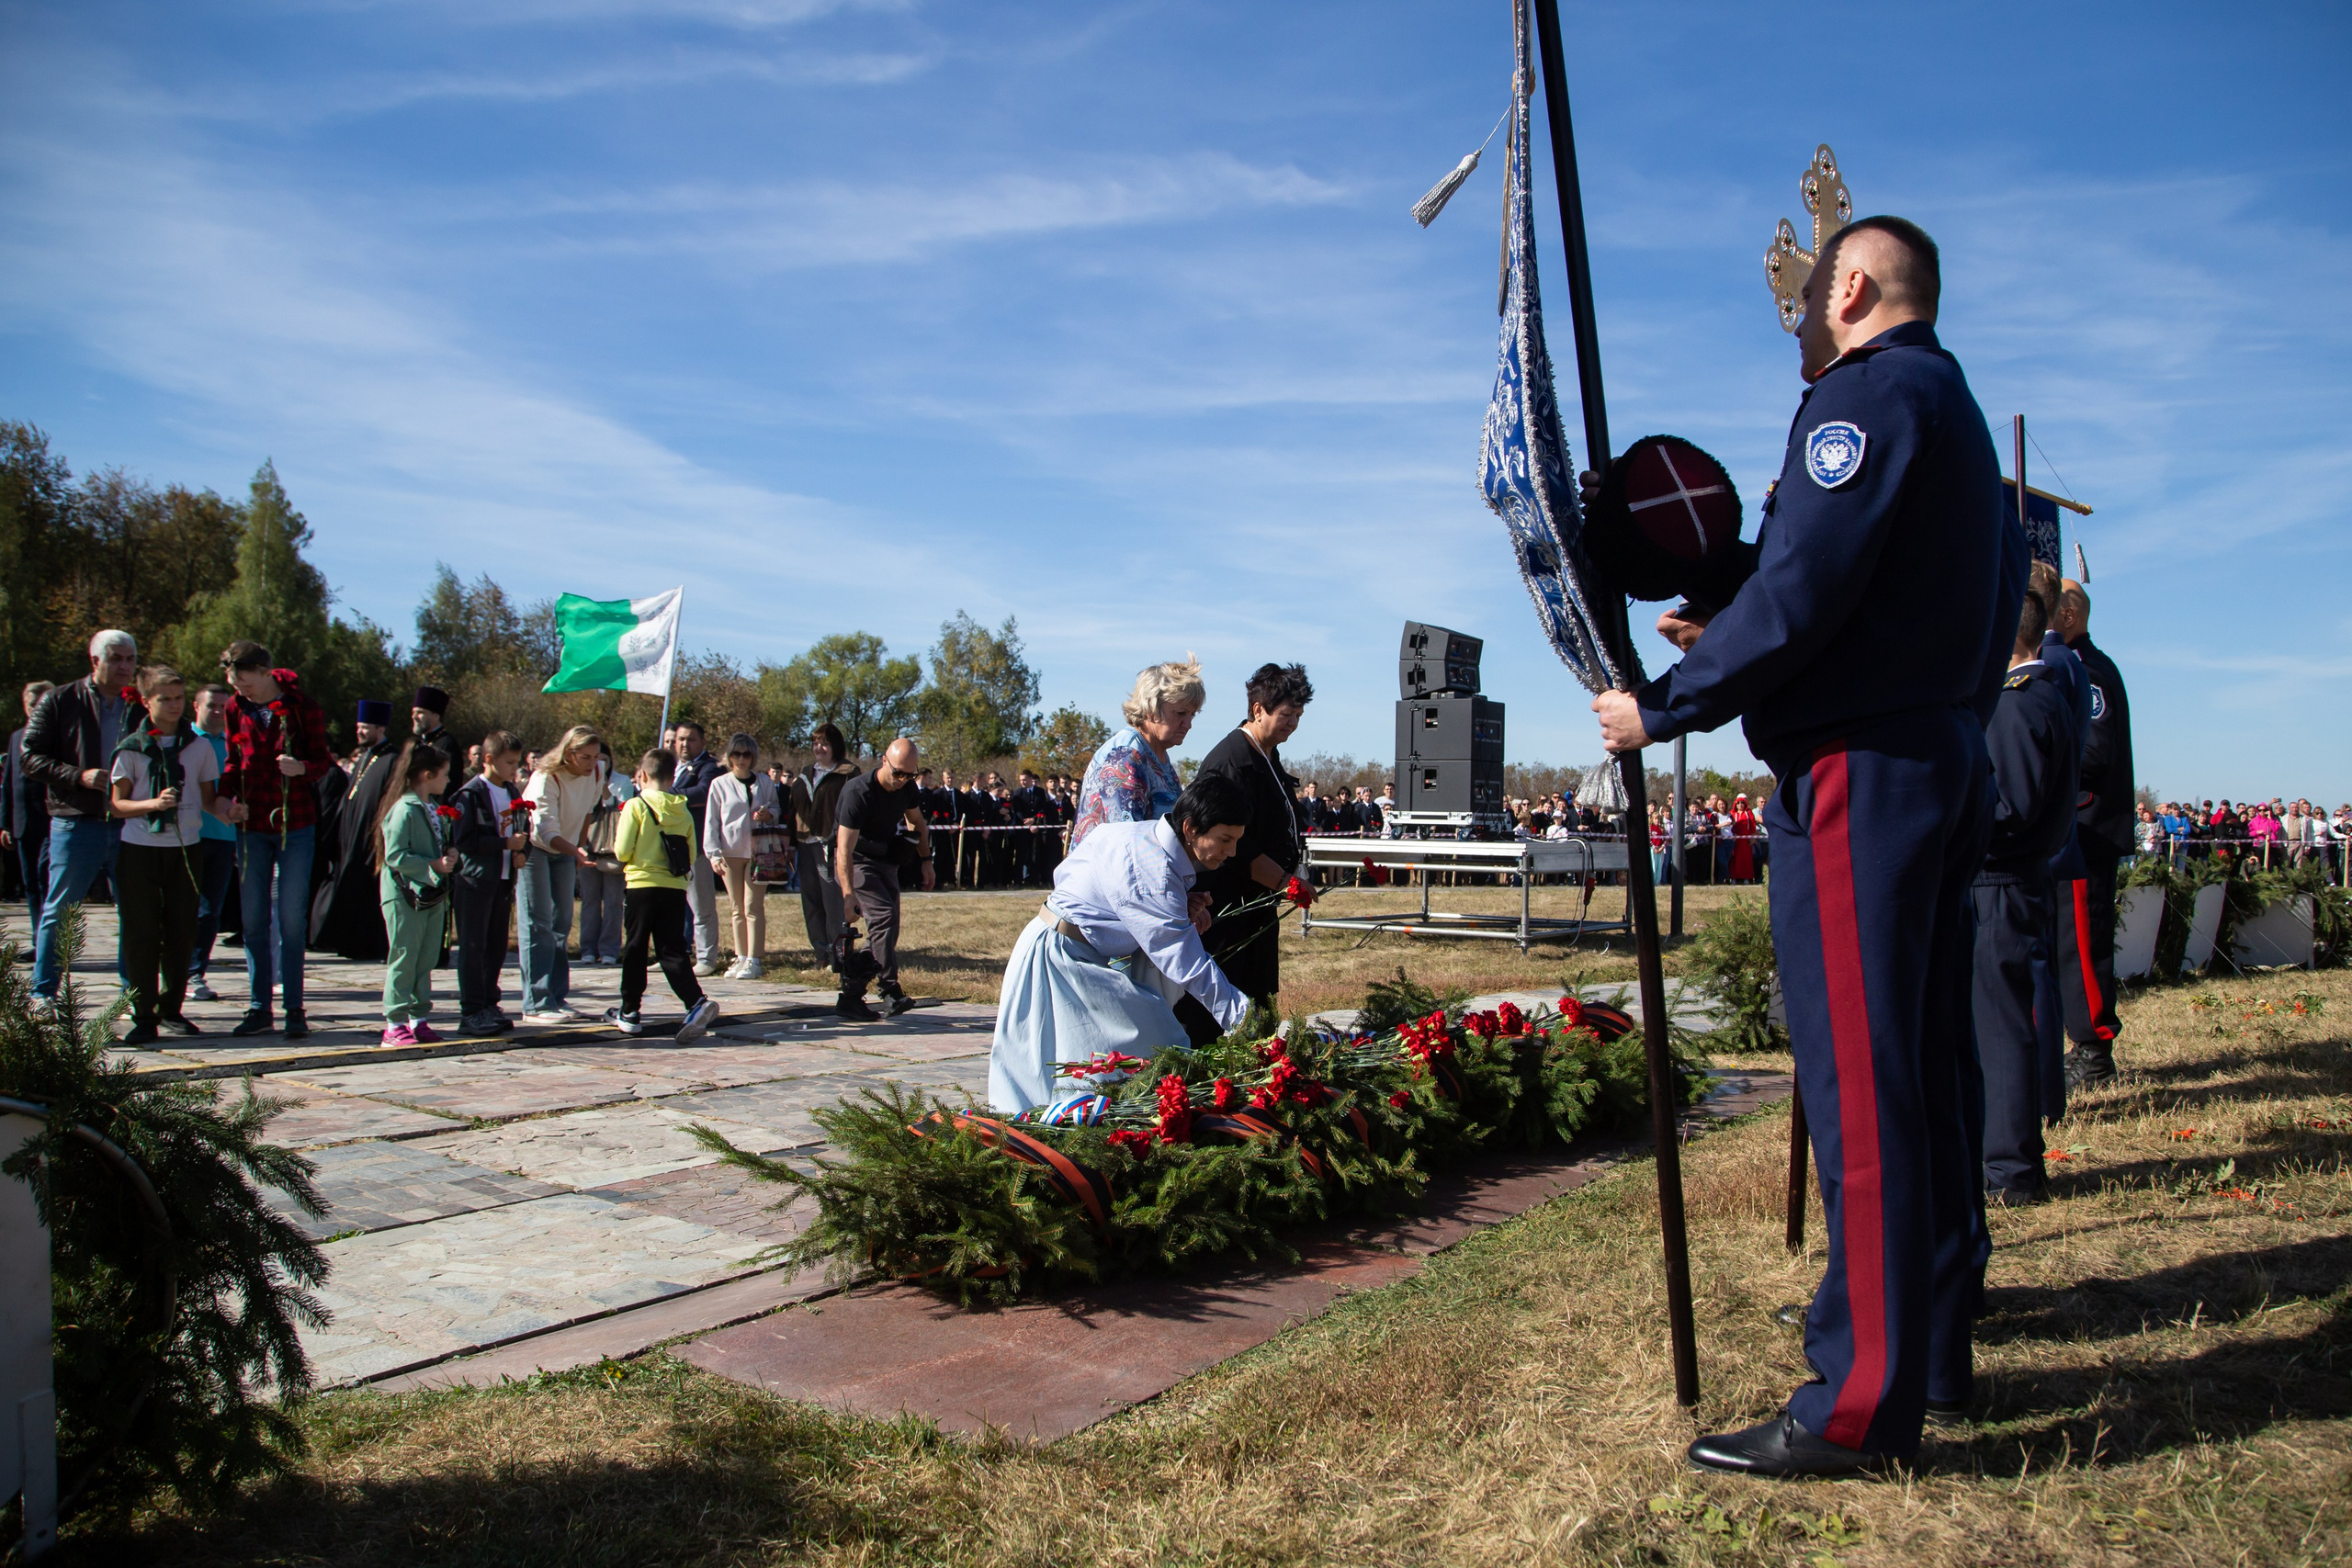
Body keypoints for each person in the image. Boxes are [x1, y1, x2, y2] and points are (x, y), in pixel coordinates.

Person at [1590, 217, 2023, 1476]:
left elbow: (1807, 592)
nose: (1799, 330)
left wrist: (1660, 705)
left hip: (1859, 775)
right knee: (1926, 1072)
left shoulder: (1868, 395)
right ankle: (1925, 1338)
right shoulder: (1953, 408)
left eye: (1805, 305)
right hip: (1937, 753)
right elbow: (1903, 591)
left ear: (1852, 285)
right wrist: (1733, 588)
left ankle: (1858, 1398)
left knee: (1865, 1091)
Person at [988, 773, 1254, 1111]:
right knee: (1143, 1045)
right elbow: (1187, 962)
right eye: (1225, 839)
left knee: (1099, 1061)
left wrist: (1174, 905)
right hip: (1057, 957)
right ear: (1189, 828)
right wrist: (1244, 1020)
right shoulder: (1149, 867)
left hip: (1076, 954)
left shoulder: (1145, 841)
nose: (1231, 852)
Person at [1972, 577, 2081, 1208]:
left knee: (2000, 1023)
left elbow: (2005, 807)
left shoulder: (2016, 701)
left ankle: (2010, 1166)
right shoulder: (2045, 695)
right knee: (2006, 1015)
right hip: (2019, 878)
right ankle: (2014, 1159)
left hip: (2000, 879)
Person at [212, 642, 337, 1040]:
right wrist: (223, 799)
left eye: (247, 683)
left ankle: (294, 1008)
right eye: (236, 685)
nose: (242, 691)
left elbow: (324, 762)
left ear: (267, 672)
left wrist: (302, 768)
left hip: (295, 824)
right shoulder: (235, 709)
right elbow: (234, 762)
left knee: (290, 918)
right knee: (252, 919)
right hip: (250, 826)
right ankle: (257, 1006)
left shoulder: (303, 706)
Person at [1191, 662, 1314, 1035]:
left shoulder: (1268, 754)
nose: (1292, 723)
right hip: (1230, 909)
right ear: (1258, 709)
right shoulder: (1232, 761)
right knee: (1229, 998)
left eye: (1298, 716)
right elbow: (1237, 845)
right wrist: (1284, 882)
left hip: (1258, 907)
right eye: (1286, 714)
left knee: (1260, 997)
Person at [23, 630, 141, 1004]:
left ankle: (132, 997)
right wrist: (79, 777)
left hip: (130, 823)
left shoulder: (140, 705)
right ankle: (43, 995)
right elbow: (29, 756)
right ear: (95, 662)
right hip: (77, 820)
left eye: (131, 660)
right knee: (60, 912)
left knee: (136, 914)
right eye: (117, 659)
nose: (125, 667)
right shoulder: (60, 700)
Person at [108, 666, 222, 1043]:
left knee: (181, 930)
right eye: (164, 699)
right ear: (146, 702)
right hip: (140, 849)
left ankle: (172, 1009)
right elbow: (117, 805)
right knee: (141, 932)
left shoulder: (199, 746)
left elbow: (208, 801)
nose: (174, 706)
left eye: (178, 698)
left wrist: (229, 811)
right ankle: (143, 1014)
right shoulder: (132, 749)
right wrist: (153, 804)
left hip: (186, 848)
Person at [2049, 580, 2133, 1088]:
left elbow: (2093, 751)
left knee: (2081, 942)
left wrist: (2042, 757)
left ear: (2069, 614)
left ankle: (2093, 1048)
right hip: (2074, 830)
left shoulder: (2087, 670)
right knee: (2065, 942)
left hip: (2087, 829)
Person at [605, 748, 720, 1042]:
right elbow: (692, 852)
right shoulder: (682, 808)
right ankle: (695, 1001)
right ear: (673, 777)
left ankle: (630, 1010)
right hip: (674, 887)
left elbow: (621, 851)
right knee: (672, 949)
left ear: (642, 775)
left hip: (642, 885)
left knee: (635, 948)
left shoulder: (635, 805)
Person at [832, 737, 935, 1021]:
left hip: (885, 860)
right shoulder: (859, 792)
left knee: (887, 932)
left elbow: (917, 823)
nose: (902, 780)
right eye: (898, 773)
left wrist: (926, 861)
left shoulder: (907, 788)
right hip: (857, 860)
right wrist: (848, 894)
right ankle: (890, 989)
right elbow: (843, 850)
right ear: (883, 761)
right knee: (883, 917)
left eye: (909, 774)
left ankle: (851, 996)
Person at [515, 724, 602, 1023]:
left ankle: (556, 996)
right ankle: (535, 1003)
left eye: (596, 756)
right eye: (585, 757)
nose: (592, 764)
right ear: (568, 754)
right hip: (536, 850)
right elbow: (545, 830)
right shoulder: (545, 779)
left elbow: (589, 808)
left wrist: (579, 847)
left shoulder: (596, 772)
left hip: (565, 850)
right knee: (537, 922)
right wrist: (573, 850)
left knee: (561, 921)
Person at [373, 740, 458, 1045]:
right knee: (404, 955)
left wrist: (449, 855)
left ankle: (418, 1017)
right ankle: (393, 1022)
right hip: (404, 894)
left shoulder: (433, 809)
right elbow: (395, 856)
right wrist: (433, 864)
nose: (448, 780)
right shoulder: (404, 809)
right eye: (444, 774)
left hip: (430, 894)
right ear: (426, 775)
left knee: (426, 957)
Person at [308, 698, 400, 962]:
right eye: (358, 727)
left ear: (380, 729)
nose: (359, 732)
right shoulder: (365, 758)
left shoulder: (391, 761)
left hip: (369, 843)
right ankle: (347, 942)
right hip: (349, 842)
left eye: (365, 727)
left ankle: (367, 945)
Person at [447, 730, 526, 1035]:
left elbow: (522, 830)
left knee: (496, 946)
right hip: (476, 879)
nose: (514, 768)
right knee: (473, 945)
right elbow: (465, 839)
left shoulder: (513, 793)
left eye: (517, 762)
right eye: (509, 762)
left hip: (504, 880)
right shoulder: (469, 795)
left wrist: (522, 851)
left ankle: (489, 1003)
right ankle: (471, 1010)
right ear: (489, 759)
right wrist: (504, 844)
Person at [703, 732, 779, 979]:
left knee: (752, 906)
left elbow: (777, 808)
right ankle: (741, 956)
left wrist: (769, 814)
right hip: (730, 852)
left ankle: (755, 959)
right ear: (729, 756)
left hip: (760, 850)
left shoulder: (765, 783)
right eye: (737, 753)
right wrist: (713, 854)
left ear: (753, 756)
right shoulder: (719, 784)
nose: (742, 759)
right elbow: (712, 821)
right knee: (736, 907)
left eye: (747, 754)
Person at [182, 683, 239, 999]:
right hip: (186, 835)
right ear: (196, 707)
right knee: (179, 906)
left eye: (223, 707)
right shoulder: (183, 741)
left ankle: (194, 973)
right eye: (211, 706)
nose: (218, 712)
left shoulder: (234, 744)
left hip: (223, 837)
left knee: (210, 911)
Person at [788, 725, 857, 961]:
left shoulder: (849, 773)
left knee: (833, 900)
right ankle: (822, 953)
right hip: (806, 844)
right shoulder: (806, 772)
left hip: (832, 845)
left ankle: (840, 954)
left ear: (835, 747)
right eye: (816, 743)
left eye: (825, 744)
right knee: (811, 900)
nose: (819, 748)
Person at [669, 720, 725, 976]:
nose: (684, 744)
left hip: (696, 847)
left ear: (702, 742)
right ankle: (674, 953)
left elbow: (702, 792)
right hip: (669, 846)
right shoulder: (672, 767)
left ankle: (706, 956)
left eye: (690, 739)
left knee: (701, 906)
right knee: (673, 907)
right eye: (680, 739)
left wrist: (666, 793)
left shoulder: (709, 767)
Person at [4, 680, 56, 944]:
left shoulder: (58, 735)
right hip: (23, 822)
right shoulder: (16, 738)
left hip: (52, 820)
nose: (35, 709)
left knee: (46, 877)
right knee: (31, 885)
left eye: (40, 704)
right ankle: (39, 941)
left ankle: (52, 943)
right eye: (31, 704)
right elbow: (8, 784)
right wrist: (5, 823)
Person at [575, 742, 633, 966]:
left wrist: (606, 793)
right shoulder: (581, 780)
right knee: (589, 899)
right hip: (588, 846)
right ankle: (587, 948)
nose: (596, 764)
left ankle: (609, 949)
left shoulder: (622, 781)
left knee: (613, 901)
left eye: (602, 760)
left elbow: (627, 811)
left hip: (613, 850)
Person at [411, 686, 455, 769]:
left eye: (420, 712)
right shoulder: (419, 743)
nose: (414, 716)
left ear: (436, 716)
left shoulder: (447, 745)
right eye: (413, 712)